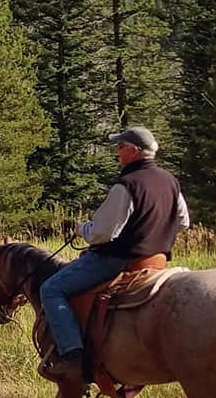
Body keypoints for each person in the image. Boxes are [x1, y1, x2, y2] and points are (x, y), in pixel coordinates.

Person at [38, 126, 190, 382]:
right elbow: (183, 222)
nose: (117, 153)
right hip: (157, 262)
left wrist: (81, 228)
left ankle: (72, 355)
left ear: (133, 151)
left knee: (51, 289)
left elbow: (102, 233)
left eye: (120, 147)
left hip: (118, 262)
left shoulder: (127, 185)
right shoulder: (170, 181)